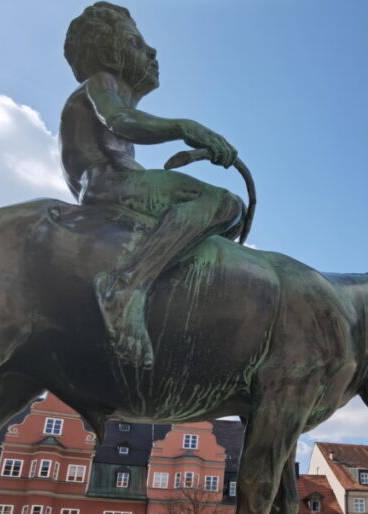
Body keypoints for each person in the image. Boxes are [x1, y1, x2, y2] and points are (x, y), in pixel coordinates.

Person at [61, 2, 245, 368]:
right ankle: (127, 288)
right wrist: (184, 126)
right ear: (107, 52)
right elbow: (120, 120)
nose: (152, 52)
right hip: (108, 184)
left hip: (119, 182)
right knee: (224, 204)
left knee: (228, 223)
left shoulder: (108, 88)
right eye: (135, 43)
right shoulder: (102, 83)